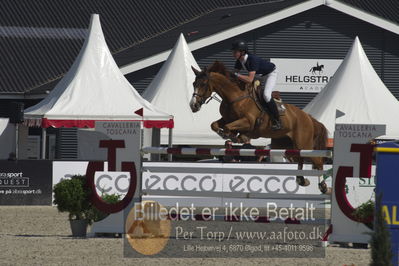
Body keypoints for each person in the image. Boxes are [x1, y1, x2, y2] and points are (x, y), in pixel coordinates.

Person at [231, 39, 281, 130]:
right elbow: (233, 74)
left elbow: (249, 79)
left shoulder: (252, 59)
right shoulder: (239, 60)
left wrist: (236, 75)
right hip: (260, 75)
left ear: (242, 52)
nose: (233, 53)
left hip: (270, 74)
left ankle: (277, 121)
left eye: (235, 51)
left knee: (266, 95)